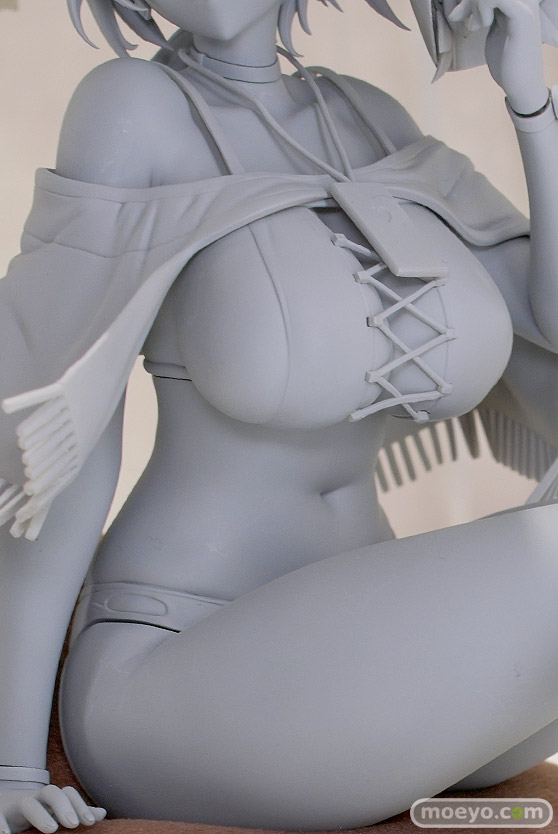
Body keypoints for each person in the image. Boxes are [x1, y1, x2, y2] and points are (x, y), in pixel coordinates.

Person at [1, 0, 558, 831]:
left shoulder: (364, 115)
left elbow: (548, 326)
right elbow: (58, 441)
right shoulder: (132, 107)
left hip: (368, 666)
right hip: (178, 664)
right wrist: (9, 766)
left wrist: (530, 104)